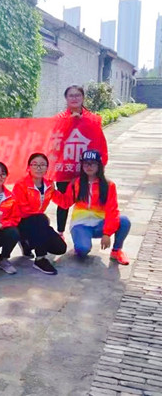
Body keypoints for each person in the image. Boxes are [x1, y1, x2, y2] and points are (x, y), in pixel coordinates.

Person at [53, 85, 108, 238]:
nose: (74, 98)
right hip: (65, 167)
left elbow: (99, 142)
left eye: (78, 95)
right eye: (71, 95)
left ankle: (84, 231)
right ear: (66, 98)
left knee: (85, 199)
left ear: (83, 98)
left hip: (86, 168)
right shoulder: (59, 119)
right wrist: (68, 123)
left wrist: (101, 163)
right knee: (63, 202)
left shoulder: (93, 119)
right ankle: (60, 232)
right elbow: (54, 142)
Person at [60, 150, 130, 265]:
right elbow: (65, 203)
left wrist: (107, 233)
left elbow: (112, 210)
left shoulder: (108, 185)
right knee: (83, 250)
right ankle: (80, 243)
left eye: (92, 163)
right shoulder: (76, 183)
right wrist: (50, 191)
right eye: (85, 163)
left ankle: (116, 251)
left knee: (124, 221)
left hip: (100, 224)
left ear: (99, 165)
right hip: (80, 224)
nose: (89, 166)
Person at [13, 153, 67, 275]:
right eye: (35, 164)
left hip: (39, 223)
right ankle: (40, 258)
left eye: (42, 165)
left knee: (60, 248)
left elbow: (63, 202)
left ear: (47, 168)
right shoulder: (21, 185)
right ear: (28, 167)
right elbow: (23, 209)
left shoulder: (48, 185)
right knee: (40, 219)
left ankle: (28, 243)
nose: (39, 168)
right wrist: (42, 217)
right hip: (21, 222)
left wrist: (76, 187)